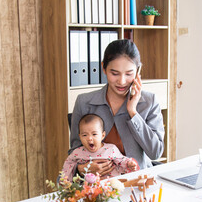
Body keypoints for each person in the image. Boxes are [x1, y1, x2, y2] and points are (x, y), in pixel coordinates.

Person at [70, 39, 165, 177]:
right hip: (98, 186)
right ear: (103, 68)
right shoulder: (84, 103)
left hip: (137, 183)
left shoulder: (149, 102)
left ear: (138, 71)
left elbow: (155, 152)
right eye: (114, 73)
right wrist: (84, 168)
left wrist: (133, 112)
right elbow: (74, 153)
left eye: (129, 74)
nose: (121, 81)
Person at [62, 114, 139, 181]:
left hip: (111, 185)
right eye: (84, 135)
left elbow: (121, 160)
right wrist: (65, 180)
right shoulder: (77, 153)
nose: (89, 138)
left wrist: (129, 164)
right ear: (80, 136)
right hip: (89, 189)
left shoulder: (110, 149)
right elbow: (68, 165)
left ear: (102, 135)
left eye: (94, 134)